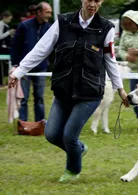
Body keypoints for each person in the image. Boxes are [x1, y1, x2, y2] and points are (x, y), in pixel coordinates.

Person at [8, 0, 129, 182]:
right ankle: (79, 149)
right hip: (64, 91)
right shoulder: (62, 22)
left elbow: (110, 60)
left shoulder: (106, 28)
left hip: (90, 93)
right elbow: (41, 49)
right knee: (51, 134)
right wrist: (18, 71)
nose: (93, 4)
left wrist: (120, 89)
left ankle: (72, 171)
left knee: (69, 136)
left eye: (97, 0)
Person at [10, 2, 52, 122]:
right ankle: (22, 123)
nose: (49, 15)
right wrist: (15, 65)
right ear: (39, 12)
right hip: (24, 69)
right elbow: (15, 46)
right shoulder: (24, 26)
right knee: (23, 97)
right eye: (47, 12)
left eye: (50, 12)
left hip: (41, 68)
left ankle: (40, 123)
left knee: (39, 97)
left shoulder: (49, 28)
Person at [0, 10, 15, 87]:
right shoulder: (1, 25)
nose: (10, 21)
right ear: (4, 17)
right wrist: (8, 33)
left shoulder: (6, 25)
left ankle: (11, 76)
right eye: (9, 19)